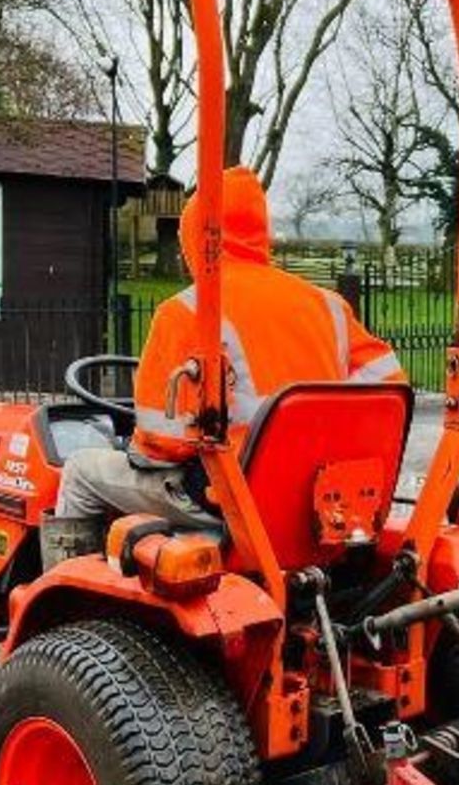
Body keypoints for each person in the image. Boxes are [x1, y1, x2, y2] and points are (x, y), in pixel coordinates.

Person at [46, 167, 403, 559]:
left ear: (196, 237)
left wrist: (134, 446)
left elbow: (159, 447)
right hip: (318, 495)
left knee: (80, 470)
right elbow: (389, 392)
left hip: (232, 496)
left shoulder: (186, 311)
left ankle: (61, 604)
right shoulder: (329, 306)